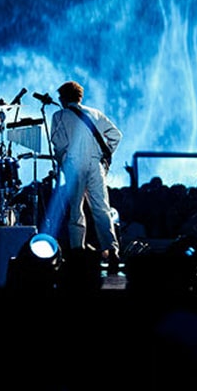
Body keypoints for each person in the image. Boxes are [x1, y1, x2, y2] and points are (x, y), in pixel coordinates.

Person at [47, 80, 122, 268]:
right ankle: (112, 251)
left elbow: (59, 144)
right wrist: (106, 155)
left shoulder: (59, 116)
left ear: (63, 98)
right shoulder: (95, 113)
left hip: (74, 165)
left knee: (76, 210)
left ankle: (77, 252)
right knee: (102, 208)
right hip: (95, 165)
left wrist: (63, 160)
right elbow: (116, 135)